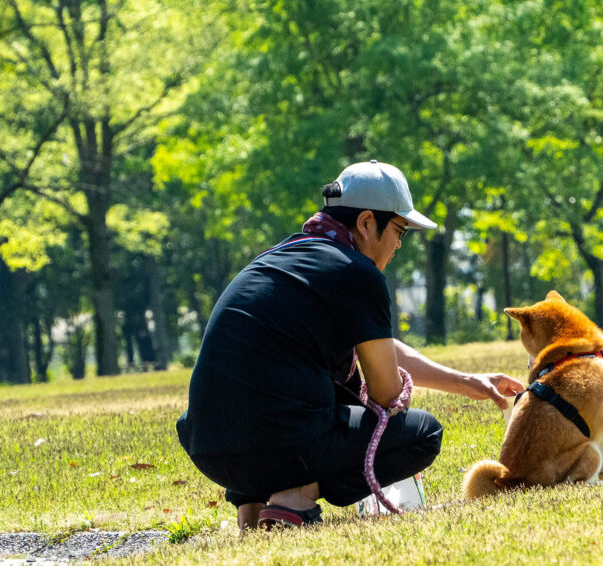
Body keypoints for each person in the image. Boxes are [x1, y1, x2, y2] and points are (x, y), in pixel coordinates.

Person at [176, 160, 524, 530]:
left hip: (208, 447)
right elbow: (387, 393)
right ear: (367, 222)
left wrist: (466, 382)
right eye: (399, 230)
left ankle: (251, 506)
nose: (398, 245)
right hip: (280, 444)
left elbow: (376, 347)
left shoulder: (277, 258)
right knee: (423, 434)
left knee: (278, 394)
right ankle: (296, 495)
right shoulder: (357, 272)